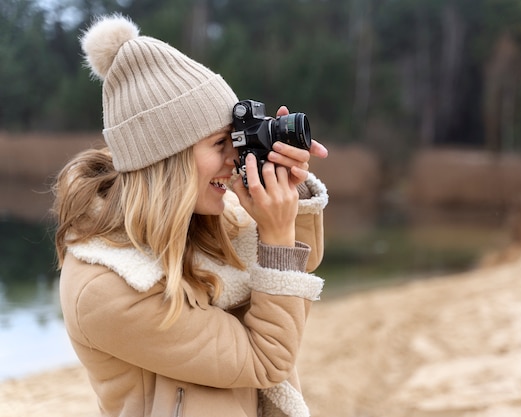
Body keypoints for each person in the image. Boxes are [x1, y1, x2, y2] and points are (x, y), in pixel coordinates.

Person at [52, 14, 329, 417]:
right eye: (220, 142)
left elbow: (300, 269)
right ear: (169, 159)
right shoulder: (105, 288)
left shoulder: (212, 217)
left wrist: (290, 188)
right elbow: (266, 360)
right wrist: (275, 234)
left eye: (235, 138)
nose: (235, 158)